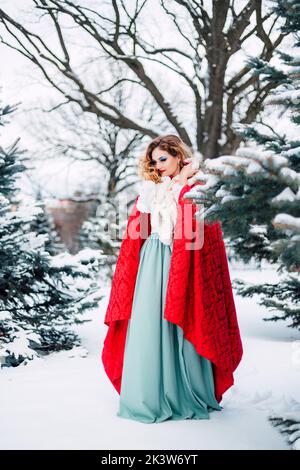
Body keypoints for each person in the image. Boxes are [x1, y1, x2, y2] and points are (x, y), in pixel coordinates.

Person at [101, 134, 243, 424]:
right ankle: (150, 392)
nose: (159, 165)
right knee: (147, 322)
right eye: (154, 161)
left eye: (163, 159)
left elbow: (196, 227)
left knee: (183, 319)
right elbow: (139, 228)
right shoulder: (152, 188)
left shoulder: (197, 185)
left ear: (179, 156)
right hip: (152, 261)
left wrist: (182, 186)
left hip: (184, 262)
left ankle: (186, 390)